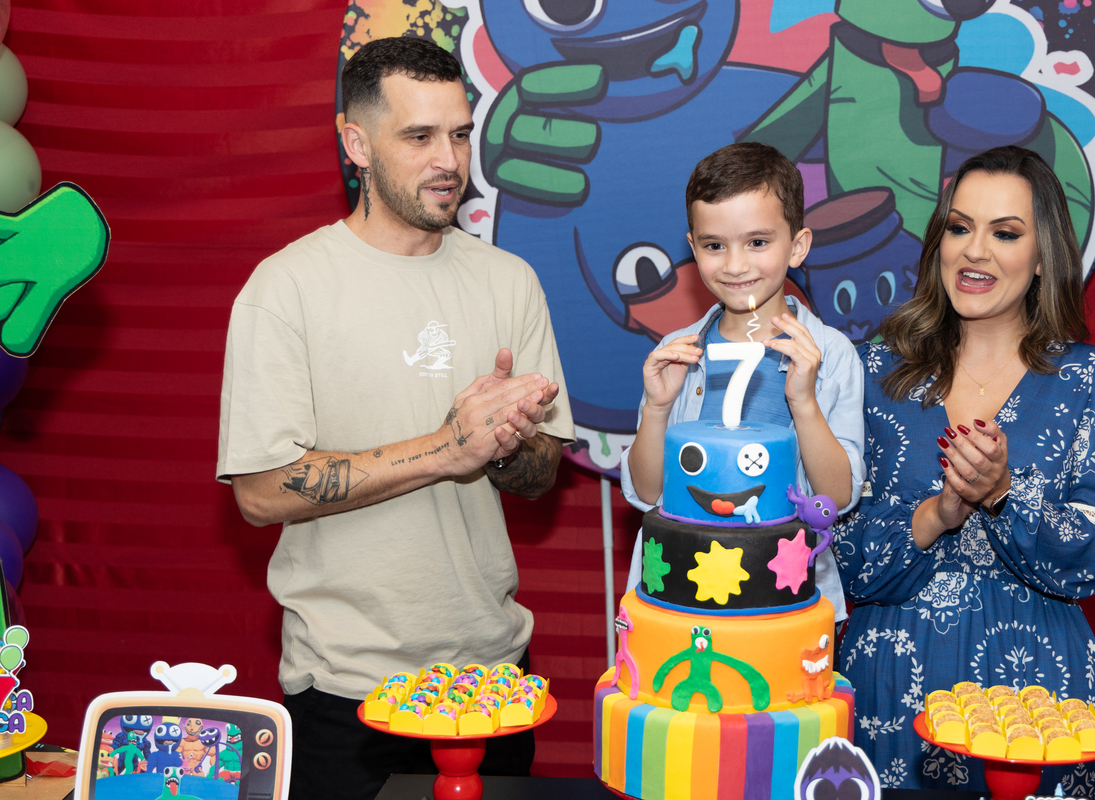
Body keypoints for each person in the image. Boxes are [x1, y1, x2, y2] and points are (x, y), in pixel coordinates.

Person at [216, 37, 574, 800]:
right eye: (419, 137)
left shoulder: (509, 280)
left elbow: (542, 474)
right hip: (346, 686)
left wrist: (505, 445)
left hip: (491, 676)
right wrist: (447, 448)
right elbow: (259, 493)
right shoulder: (286, 289)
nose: (449, 160)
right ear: (357, 144)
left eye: (460, 134)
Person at [834, 146, 1095, 796]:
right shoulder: (868, 372)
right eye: (960, 226)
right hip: (891, 694)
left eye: (1005, 233)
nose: (975, 251)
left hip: (1042, 703)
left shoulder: (1093, 378)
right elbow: (837, 561)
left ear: (1043, 255)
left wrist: (1003, 495)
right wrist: (936, 514)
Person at [620, 142, 865, 629]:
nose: (735, 265)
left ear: (797, 245)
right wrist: (657, 409)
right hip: (679, 598)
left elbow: (838, 497)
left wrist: (804, 402)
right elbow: (648, 492)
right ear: (693, 248)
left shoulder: (831, 354)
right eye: (715, 245)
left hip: (785, 602)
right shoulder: (676, 352)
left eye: (757, 242)